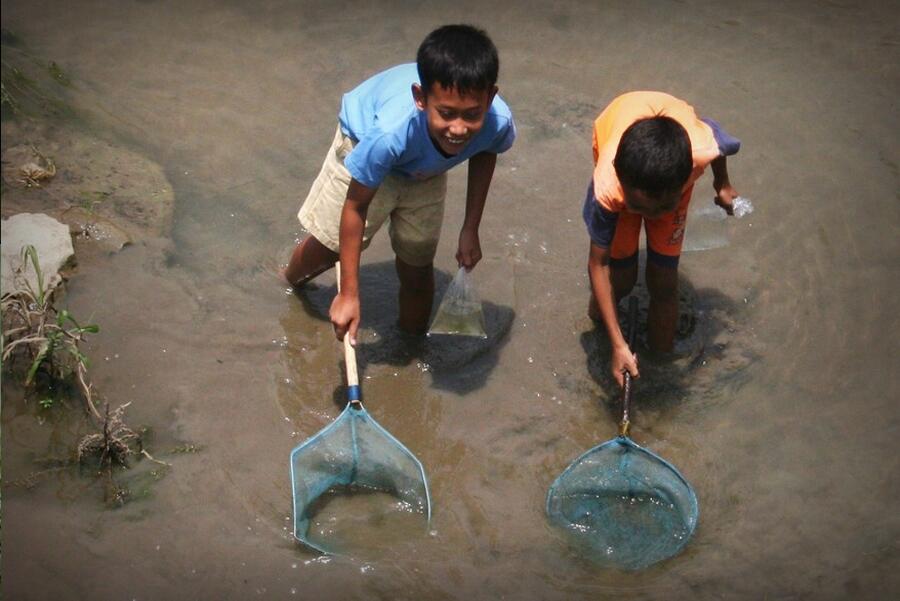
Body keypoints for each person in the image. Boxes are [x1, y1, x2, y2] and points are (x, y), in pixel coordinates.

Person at [281, 24, 515, 346]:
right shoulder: (389, 133)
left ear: (490, 97)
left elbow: (486, 149)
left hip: (425, 170)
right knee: (328, 248)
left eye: (471, 114)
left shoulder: (496, 122)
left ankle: (410, 347)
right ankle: (286, 283)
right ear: (421, 98)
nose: (459, 128)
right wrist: (349, 294)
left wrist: (470, 227)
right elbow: (355, 205)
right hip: (365, 144)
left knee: (418, 267)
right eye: (446, 113)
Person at [583, 91, 742, 387]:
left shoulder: (698, 153)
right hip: (619, 152)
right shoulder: (608, 187)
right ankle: (601, 338)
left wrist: (722, 183)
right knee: (621, 277)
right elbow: (597, 264)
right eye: (643, 208)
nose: (652, 216)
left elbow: (720, 144)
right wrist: (619, 345)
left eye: (661, 208)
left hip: (660, 185)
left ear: (687, 178)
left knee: (664, 283)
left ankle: (659, 365)